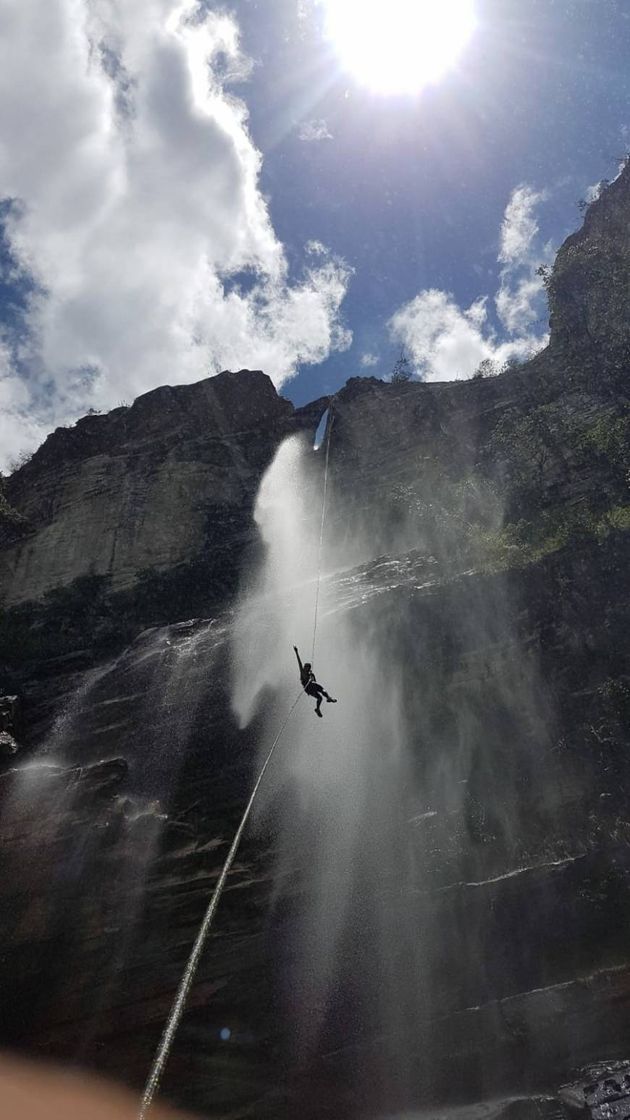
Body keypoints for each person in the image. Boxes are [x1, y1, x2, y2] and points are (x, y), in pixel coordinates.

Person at [293, 646, 337, 717]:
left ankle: (318, 708)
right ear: (305, 667)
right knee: (320, 688)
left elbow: (314, 681)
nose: (307, 669)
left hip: (311, 688)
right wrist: (296, 652)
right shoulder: (302, 672)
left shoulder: (310, 674)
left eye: (308, 668)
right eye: (306, 667)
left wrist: (311, 676)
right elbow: (299, 662)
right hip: (308, 688)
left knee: (320, 698)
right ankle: (328, 698)